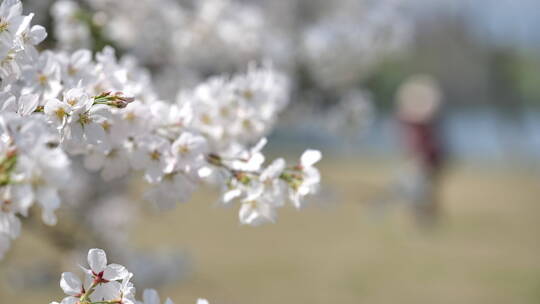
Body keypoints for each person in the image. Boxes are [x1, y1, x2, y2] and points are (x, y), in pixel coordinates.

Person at [395, 74, 445, 227]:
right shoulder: (411, 121)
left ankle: (426, 218)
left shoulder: (426, 122)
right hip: (418, 158)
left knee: (426, 190)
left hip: (428, 158)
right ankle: (420, 218)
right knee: (417, 189)